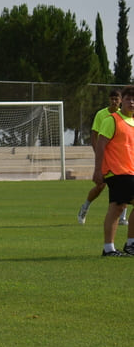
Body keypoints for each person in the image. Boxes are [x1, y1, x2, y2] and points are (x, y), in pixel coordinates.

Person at [92, 85, 134, 257]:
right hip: (116, 171)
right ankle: (115, 247)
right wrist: (97, 170)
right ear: (121, 101)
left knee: (118, 207)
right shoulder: (112, 120)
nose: (131, 102)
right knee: (117, 207)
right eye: (128, 98)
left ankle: (120, 246)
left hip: (130, 171)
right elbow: (101, 146)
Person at [78, 89, 127, 225]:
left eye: (116, 99)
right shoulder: (101, 114)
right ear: (109, 100)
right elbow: (94, 135)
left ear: (120, 100)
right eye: (112, 99)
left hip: (120, 157)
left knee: (125, 184)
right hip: (105, 156)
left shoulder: (124, 115)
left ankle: (122, 217)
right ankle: (85, 207)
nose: (114, 101)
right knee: (101, 186)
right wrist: (97, 152)